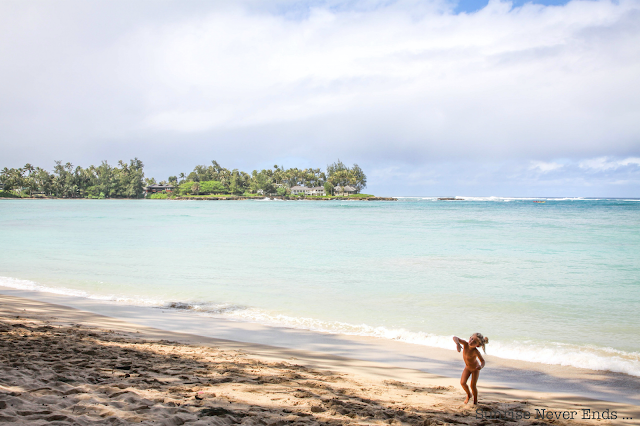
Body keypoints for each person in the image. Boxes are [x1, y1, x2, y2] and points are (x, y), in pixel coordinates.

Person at [453, 333, 488, 404]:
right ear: (469, 338)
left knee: (473, 386)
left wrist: (481, 366)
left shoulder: (475, 351)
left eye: (474, 342)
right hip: (467, 368)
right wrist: (457, 344)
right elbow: (455, 337)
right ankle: (469, 394)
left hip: (475, 369)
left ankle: (475, 402)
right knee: (462, 383)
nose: (471, 342)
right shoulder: (465, 344)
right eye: (471, 339)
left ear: (477, 345)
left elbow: (483, 361)